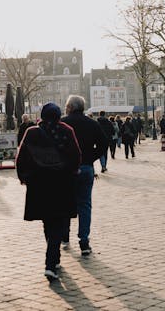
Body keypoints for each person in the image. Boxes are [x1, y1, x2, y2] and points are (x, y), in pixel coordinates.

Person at [16, 102, 81, 281]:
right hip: (62, 184)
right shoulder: (66, 131)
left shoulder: (32, 132)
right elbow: (76, 156)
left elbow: (21, 157)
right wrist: (71, 173)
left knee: (47, 221)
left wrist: (24, 178)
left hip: (39, 186)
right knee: (58, 223)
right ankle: (51, 263)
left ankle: (54, 260)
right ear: (58, 115)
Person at [61, 95, 107, 256]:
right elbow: (103, 143)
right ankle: (84, 241)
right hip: (86, 167)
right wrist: (90, 157)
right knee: (85, 204)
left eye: (66, 106)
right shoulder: (92, 123)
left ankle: (64, 237)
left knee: (65, 202)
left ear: (70, 107)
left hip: (67, 169)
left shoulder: (63, 123)